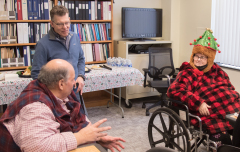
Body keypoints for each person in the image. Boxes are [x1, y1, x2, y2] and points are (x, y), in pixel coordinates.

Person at [0, 59, 125, 152]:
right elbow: (36, 147)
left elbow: (75, 118)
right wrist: (81, 137)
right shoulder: (36, 107)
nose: (74, 82)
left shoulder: (59, 92)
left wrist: (96, 137)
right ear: (61, 84)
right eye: (72, 79)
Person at [167, 28, 240, 147]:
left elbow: (229, 87)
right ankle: (221, 140)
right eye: (196, 56)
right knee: (220, 126)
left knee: (237, 120)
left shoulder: (217, 70)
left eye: (203, 57)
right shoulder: (187, 72)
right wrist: (199, 103)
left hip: (227, 106)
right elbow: (174, 90)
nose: (198, 60)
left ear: (209, 59)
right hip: (206, 108)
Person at [31, 5, 85, 106]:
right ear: (52, 23)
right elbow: (36, 74)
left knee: (79, 120)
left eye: (67, 23)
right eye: (60, 24)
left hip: (75, 90)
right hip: (56, 96)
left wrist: (81, 76)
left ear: (69, 19)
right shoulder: (43, 44)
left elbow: (81, 59)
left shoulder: (75, 38)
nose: (65, 27)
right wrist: (53, 92)